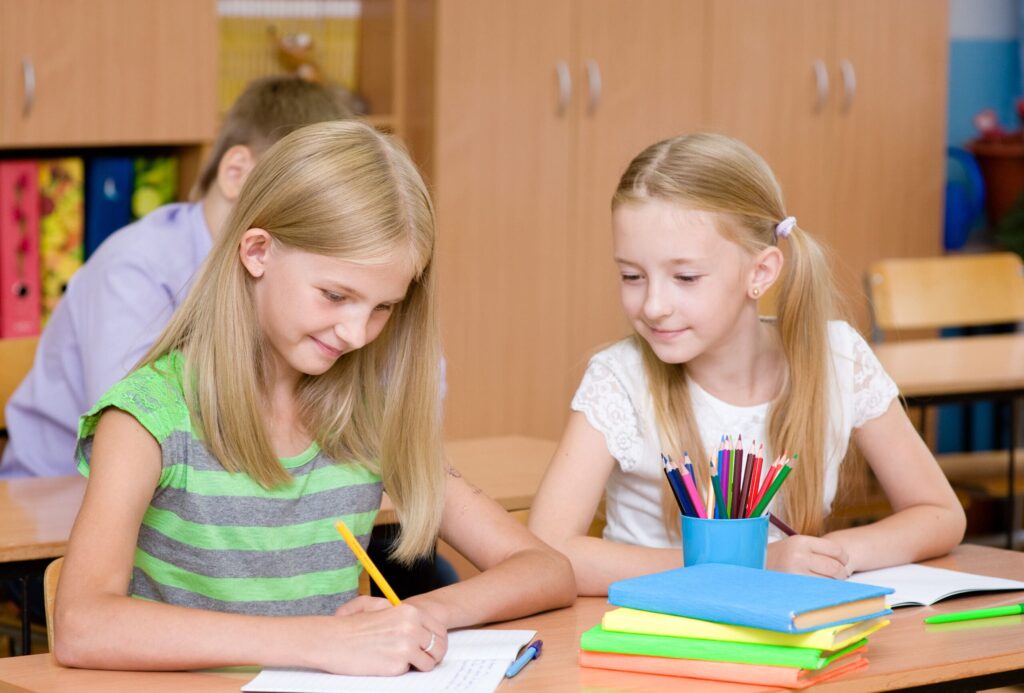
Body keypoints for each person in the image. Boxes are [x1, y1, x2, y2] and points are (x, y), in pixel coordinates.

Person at [53, 120, 575, 673]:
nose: (356, 333)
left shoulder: (364, 416)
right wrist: (319, 642)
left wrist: (423, 615)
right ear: (257, 252)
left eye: (381, 308)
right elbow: (82, 626)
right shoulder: (148, 417)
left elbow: (545, 568)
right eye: (335, 295)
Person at [528, 132, 966, 596]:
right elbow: (548, 553)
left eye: (685, 277)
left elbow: (939, 513)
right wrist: (750, 564)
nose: (654, 305)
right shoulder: (620, 379)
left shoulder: (837, 358)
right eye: (632, 276)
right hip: (655, 636)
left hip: (784, 634)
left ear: (760, 272)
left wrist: (834, 554)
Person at [1, 75, 353, 480]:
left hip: (213, 498)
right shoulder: (135, 268)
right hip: (55, 500)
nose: (317, 225)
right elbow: (139, 432)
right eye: (301, 197)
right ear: (237, 173)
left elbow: (411, 391)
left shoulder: (294, 280)